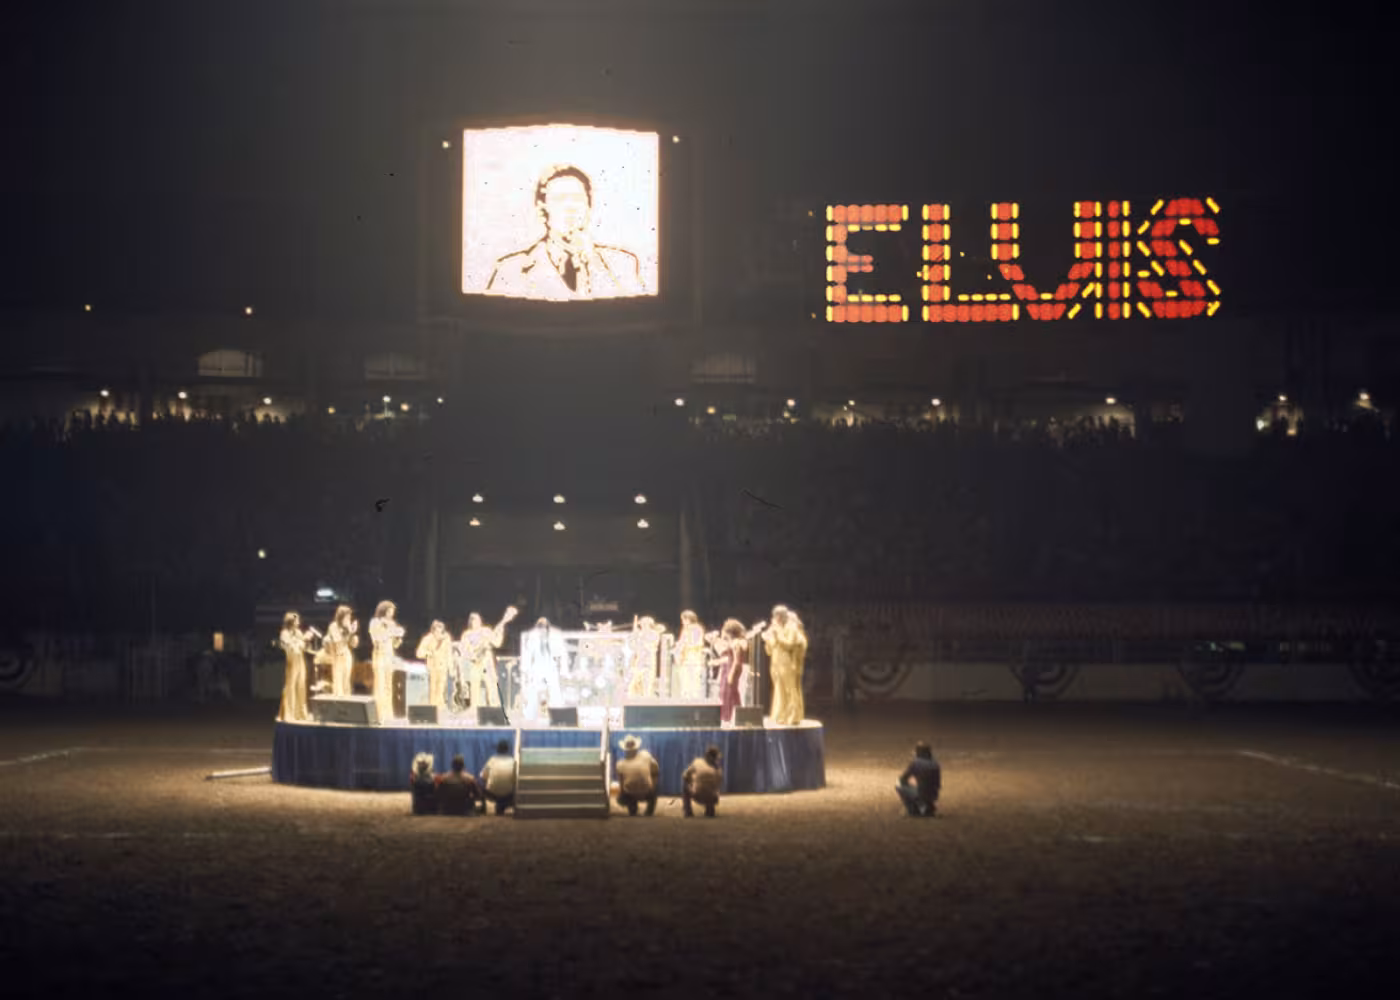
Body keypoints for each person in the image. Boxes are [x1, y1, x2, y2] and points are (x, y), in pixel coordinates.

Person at [486, 164, 646, 301]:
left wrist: (593, 263)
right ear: (542, 209)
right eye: (560, 199)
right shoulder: (511, 269)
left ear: (588, 207)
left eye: (578, 199)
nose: (570, 207)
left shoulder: (623, 264)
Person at [459, 607, 516, 710]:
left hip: (487, 662)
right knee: (474, 688)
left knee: (492, 686)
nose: (477, 622)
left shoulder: (486, 631)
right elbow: (463, 651)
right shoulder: (466, 635)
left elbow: (497, 643)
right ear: (470, 622)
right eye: (474, 620)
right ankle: (474, 711)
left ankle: (494, 710)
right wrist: (473, 655)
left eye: (478, 619)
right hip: (474, 664)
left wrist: (501, 628)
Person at [762, 605, 809, 726]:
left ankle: (793, 716)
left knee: (790, 690)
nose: (775, 619)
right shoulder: (777, 629)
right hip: (776, 662)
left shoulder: (791, 628)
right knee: (779, 690)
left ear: (782, 616)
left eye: (777, 616)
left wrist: (777, 634)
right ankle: (781, 715)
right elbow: (770, 650)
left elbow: (789, 644)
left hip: (786, 663)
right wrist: (768, 639)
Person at [520, 617, 567, 721]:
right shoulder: (532, 635)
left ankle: (558, 715)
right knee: (533, 690)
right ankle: (530, 715)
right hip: (537, 665)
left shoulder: (556, 635)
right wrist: (525, 668)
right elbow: (528, 652)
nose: (542, 629)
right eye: (540, 626)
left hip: (551, 665)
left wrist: (564, 669)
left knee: (555, 690)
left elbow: (562, 652)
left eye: (544, 626)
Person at [368, 600, 404, 725]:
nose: (391, 614)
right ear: (384, 611)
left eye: (392, 611)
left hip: (389, 657)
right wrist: (390, 632)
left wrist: (398, 638)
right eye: (389, 611)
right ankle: (379, 714)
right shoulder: (375, 622)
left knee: (389, 686)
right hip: (379, 656)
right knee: (380, 685)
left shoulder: (392, 624)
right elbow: (376, 639)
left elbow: (394, 644)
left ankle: (388, 713)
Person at [277, 612, 315, 722]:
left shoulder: (298, 632)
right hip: (292, 661)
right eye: (296, 621)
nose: (298, 623)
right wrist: (302, 640)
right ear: (291, 622)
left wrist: (306, 640)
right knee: (291, 686)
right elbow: (290, 647)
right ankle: (290, 714)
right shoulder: (284, 633)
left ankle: (301, 713)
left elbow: (303, 647)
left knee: (301, 685)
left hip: (300, 660)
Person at [613, 735, 660, 817]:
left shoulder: (620, 764)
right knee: (654, 786)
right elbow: (656, 768)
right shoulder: (646, 755)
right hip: (647, 792)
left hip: (631, 794)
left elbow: (621, 785)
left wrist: (622, 793)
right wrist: (653, 784)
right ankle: (649, 810)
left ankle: (632, 807)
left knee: (621, 797)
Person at [415, 620, 453, 713]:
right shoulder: (428, 639)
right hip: (432, 668)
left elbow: (449, 653)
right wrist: (428, 653)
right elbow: (419, 653)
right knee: (433, 689)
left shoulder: (446, 638)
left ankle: (440, 709)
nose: (439, 633)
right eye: (437, 631)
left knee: (441, 689)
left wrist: (451, 668)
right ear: (433, 630)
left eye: (441, 631)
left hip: (443, 667)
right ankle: (433, 709)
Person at [895, 741, 941, 817]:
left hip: (921, 793)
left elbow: (903, 779)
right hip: (934, 794)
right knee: (921, 788)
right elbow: (937, 783)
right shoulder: (935, 764)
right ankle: (926, 806)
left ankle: (912, 810)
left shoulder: (916, 763)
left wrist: (909, 783)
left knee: (899, 786)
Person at [324, 605, 359, 698]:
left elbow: (353, 644)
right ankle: (339, 699)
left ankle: (347, 699)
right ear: (341, 616)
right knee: (338, 679)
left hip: (346, 654)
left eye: (349, 617)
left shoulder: (348, 627)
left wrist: (353, 633)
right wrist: (349, 631)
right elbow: (337, 641)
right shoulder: (333, 626)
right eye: (347, 617)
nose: (349, 619)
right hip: (337, 655)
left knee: (346, 678)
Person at [716, 619, 747, 724]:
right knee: (729, 692)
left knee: (729, 693)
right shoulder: (733, 643)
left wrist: (731, 674)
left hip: (733, 668)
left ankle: (729, 717)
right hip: (730, 667)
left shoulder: (736, 643)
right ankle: (731, 717)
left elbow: (736, 660)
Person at [674, 610, 708, 700]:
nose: (682, 622)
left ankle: (691, 699)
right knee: (687, 680)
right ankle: (688, 698)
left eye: (683, 620)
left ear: (688, 619)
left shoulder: (695, 629)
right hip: (688, 657)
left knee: (691, 680)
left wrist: (681, 647)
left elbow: (694, 643)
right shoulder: (687, 629)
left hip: (692, 656)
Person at [682, 745, 723, 818]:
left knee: (685, 786)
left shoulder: (697, 762)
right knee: (711, 788)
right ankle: (710, 810)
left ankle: (688, 812)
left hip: (697, 795)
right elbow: (718, 784)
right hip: (713, 798)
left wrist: (692, 781)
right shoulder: (718, 769)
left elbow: (684, 776)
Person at [480, 739, 517, 815]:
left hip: (493, 793)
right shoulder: (513, 761)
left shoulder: (491, 760)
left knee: (480, 784)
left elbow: (483, 777)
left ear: (497, 749)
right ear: (507, 750)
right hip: (509, 794)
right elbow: (515, 780)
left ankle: (483, 809)